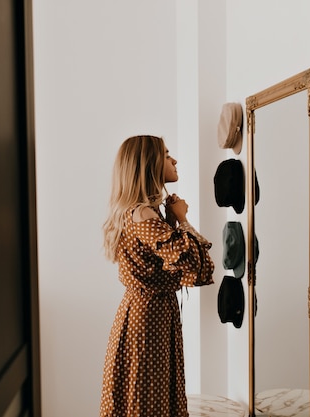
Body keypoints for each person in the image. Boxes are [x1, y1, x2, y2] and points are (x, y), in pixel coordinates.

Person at [99, 135, 215, 417]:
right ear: (149, 164)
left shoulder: (139, 213)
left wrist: (173, 222)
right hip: (148, 318)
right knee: (146, 398)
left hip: (147, 313)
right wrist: (184, 219)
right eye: (166, 154)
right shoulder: (143, 215)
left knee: (145, 396)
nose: (173, 160)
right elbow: (199, 267)